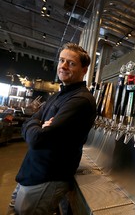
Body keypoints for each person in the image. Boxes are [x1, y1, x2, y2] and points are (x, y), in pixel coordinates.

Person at [8, 42, 97, 214]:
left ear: (84, 70)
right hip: (30, 174)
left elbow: (37, 139)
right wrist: (38, 124)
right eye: (62, 60)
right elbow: (29, 122)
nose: (63, 66)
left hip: (47, 178)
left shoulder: (81, 100)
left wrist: (37, 126)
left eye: (71, 63)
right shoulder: (58, 95)